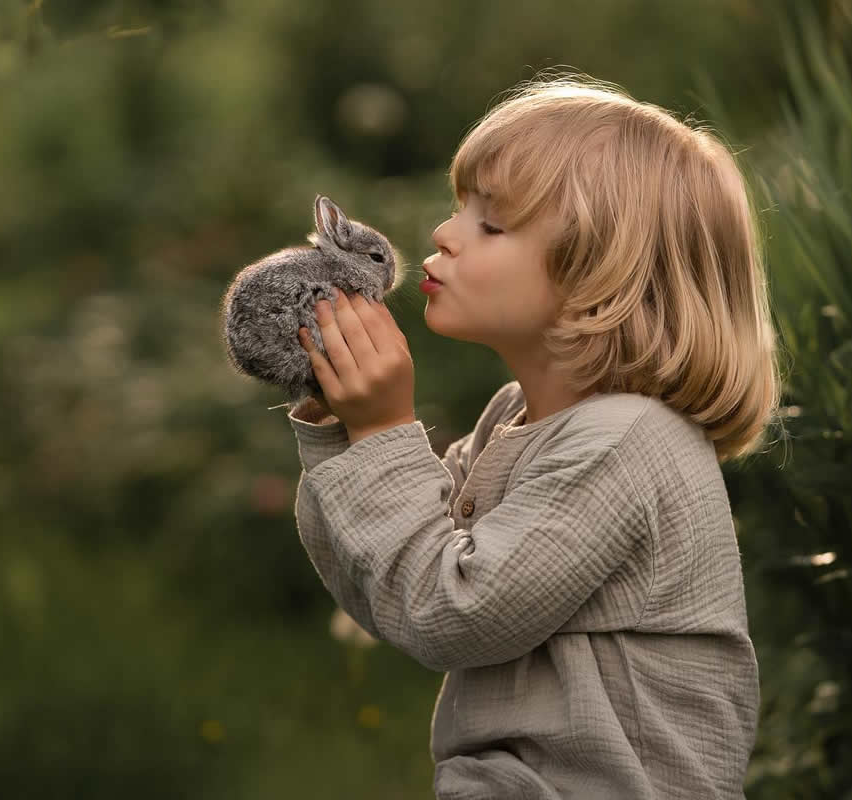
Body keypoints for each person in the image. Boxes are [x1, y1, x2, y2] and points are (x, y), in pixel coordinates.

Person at [287, 72, 783, 799]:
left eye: (491, 225)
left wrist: (383, 431)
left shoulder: (627, 441)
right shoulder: (516, 418)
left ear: (600, 280)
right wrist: (343, 431)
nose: (443, 234)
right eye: (462, 209)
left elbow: (447, 613)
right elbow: (391, 585)